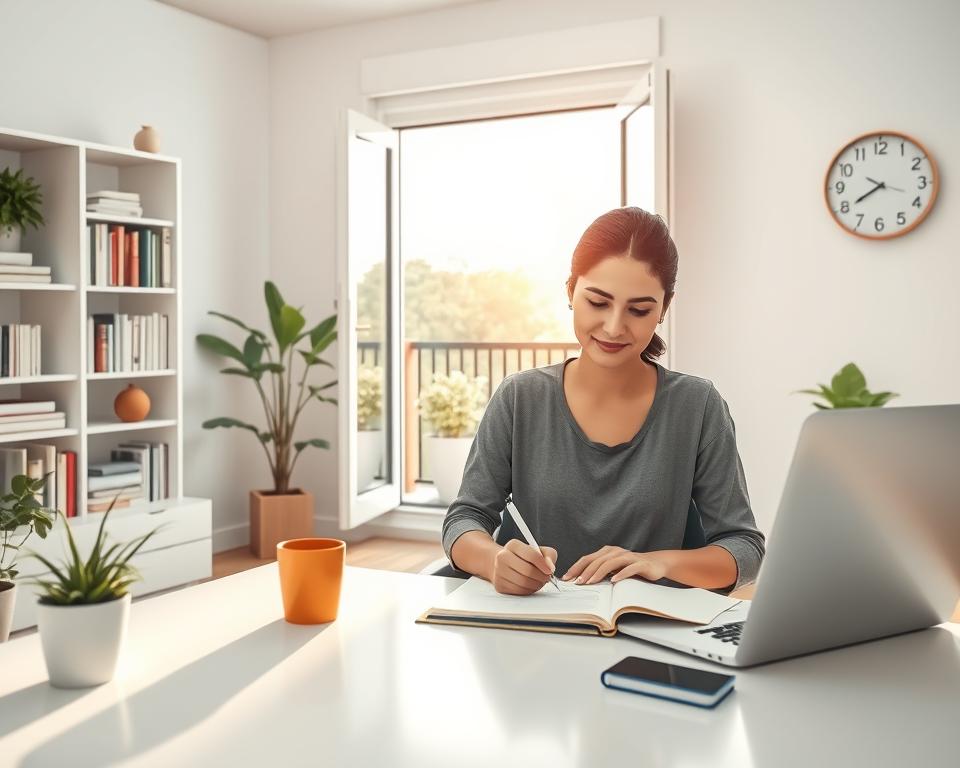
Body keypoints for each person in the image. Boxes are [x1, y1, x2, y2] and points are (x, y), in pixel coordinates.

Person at [441, 207, 765, 596]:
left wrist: (658, 562)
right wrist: (495, 562)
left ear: (664, 308)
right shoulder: (520, 398)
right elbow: (464, 519)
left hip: (651, 635)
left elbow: (744, 548)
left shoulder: (697, 406)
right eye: (598, 302)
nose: (614, 326)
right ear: (570, 292)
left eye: (639, 310)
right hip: (534, 631)